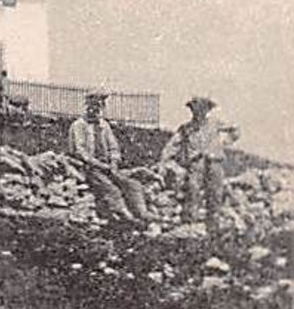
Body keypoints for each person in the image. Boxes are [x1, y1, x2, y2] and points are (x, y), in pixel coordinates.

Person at [160, 96, 239, 237]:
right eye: (195, 109)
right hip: (196, 164)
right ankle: (191, 227)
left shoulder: (216, 123)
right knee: (192, 191)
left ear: (207, 110)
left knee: (215, 194)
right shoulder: (186, 128)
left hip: (214, 163)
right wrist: (163, 161)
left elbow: (235, 130)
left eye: (202, 109)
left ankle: (213, 229)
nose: (198, 112)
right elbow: (172, 145)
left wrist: (223, 143)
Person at [68, 92, 151, 227]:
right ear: (87, 106)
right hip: (87, 167)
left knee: (131, 184)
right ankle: (126, 215)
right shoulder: (79, 125)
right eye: (92, 106)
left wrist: (113, 162)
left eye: (98, 107)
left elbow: (113, 147)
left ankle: (143, 213)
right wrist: (100, 165)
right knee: (111, 189)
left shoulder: (104, 125)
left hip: (106, 166)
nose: (94, 110)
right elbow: (80, 151)